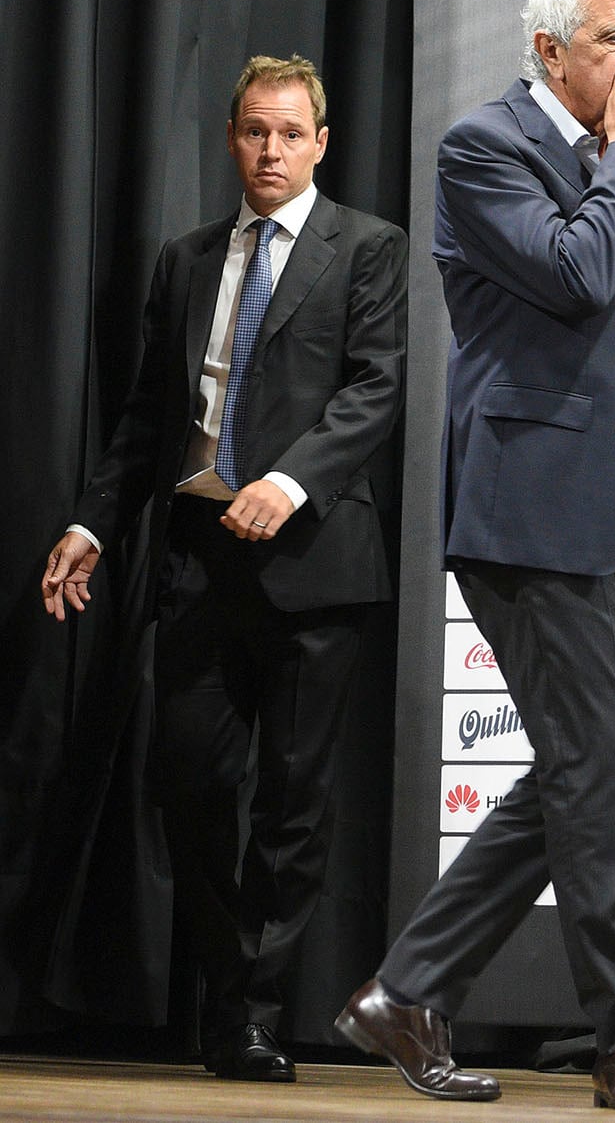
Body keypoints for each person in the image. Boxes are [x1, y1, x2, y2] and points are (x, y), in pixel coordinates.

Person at [333, 0, 615, 1110]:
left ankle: (406, 992)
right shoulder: (485, 149)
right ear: (549, 50)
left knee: (573, 776)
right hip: (534, 515)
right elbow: (579, 273)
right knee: (591, 778)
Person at [39, 54, 408, 1082]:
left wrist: (289, 484)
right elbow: (149, 418)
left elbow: (375, 391)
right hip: (199, 562)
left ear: (322, 142)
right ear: (232, 136)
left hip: (314, 565)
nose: (270, 151)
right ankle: (225, 992)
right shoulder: (187, 258)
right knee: (190, 790)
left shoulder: (367, 250)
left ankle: (244, 1015)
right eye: (253, 131)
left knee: (293, 809)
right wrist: (93, 525)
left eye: (290, 133)